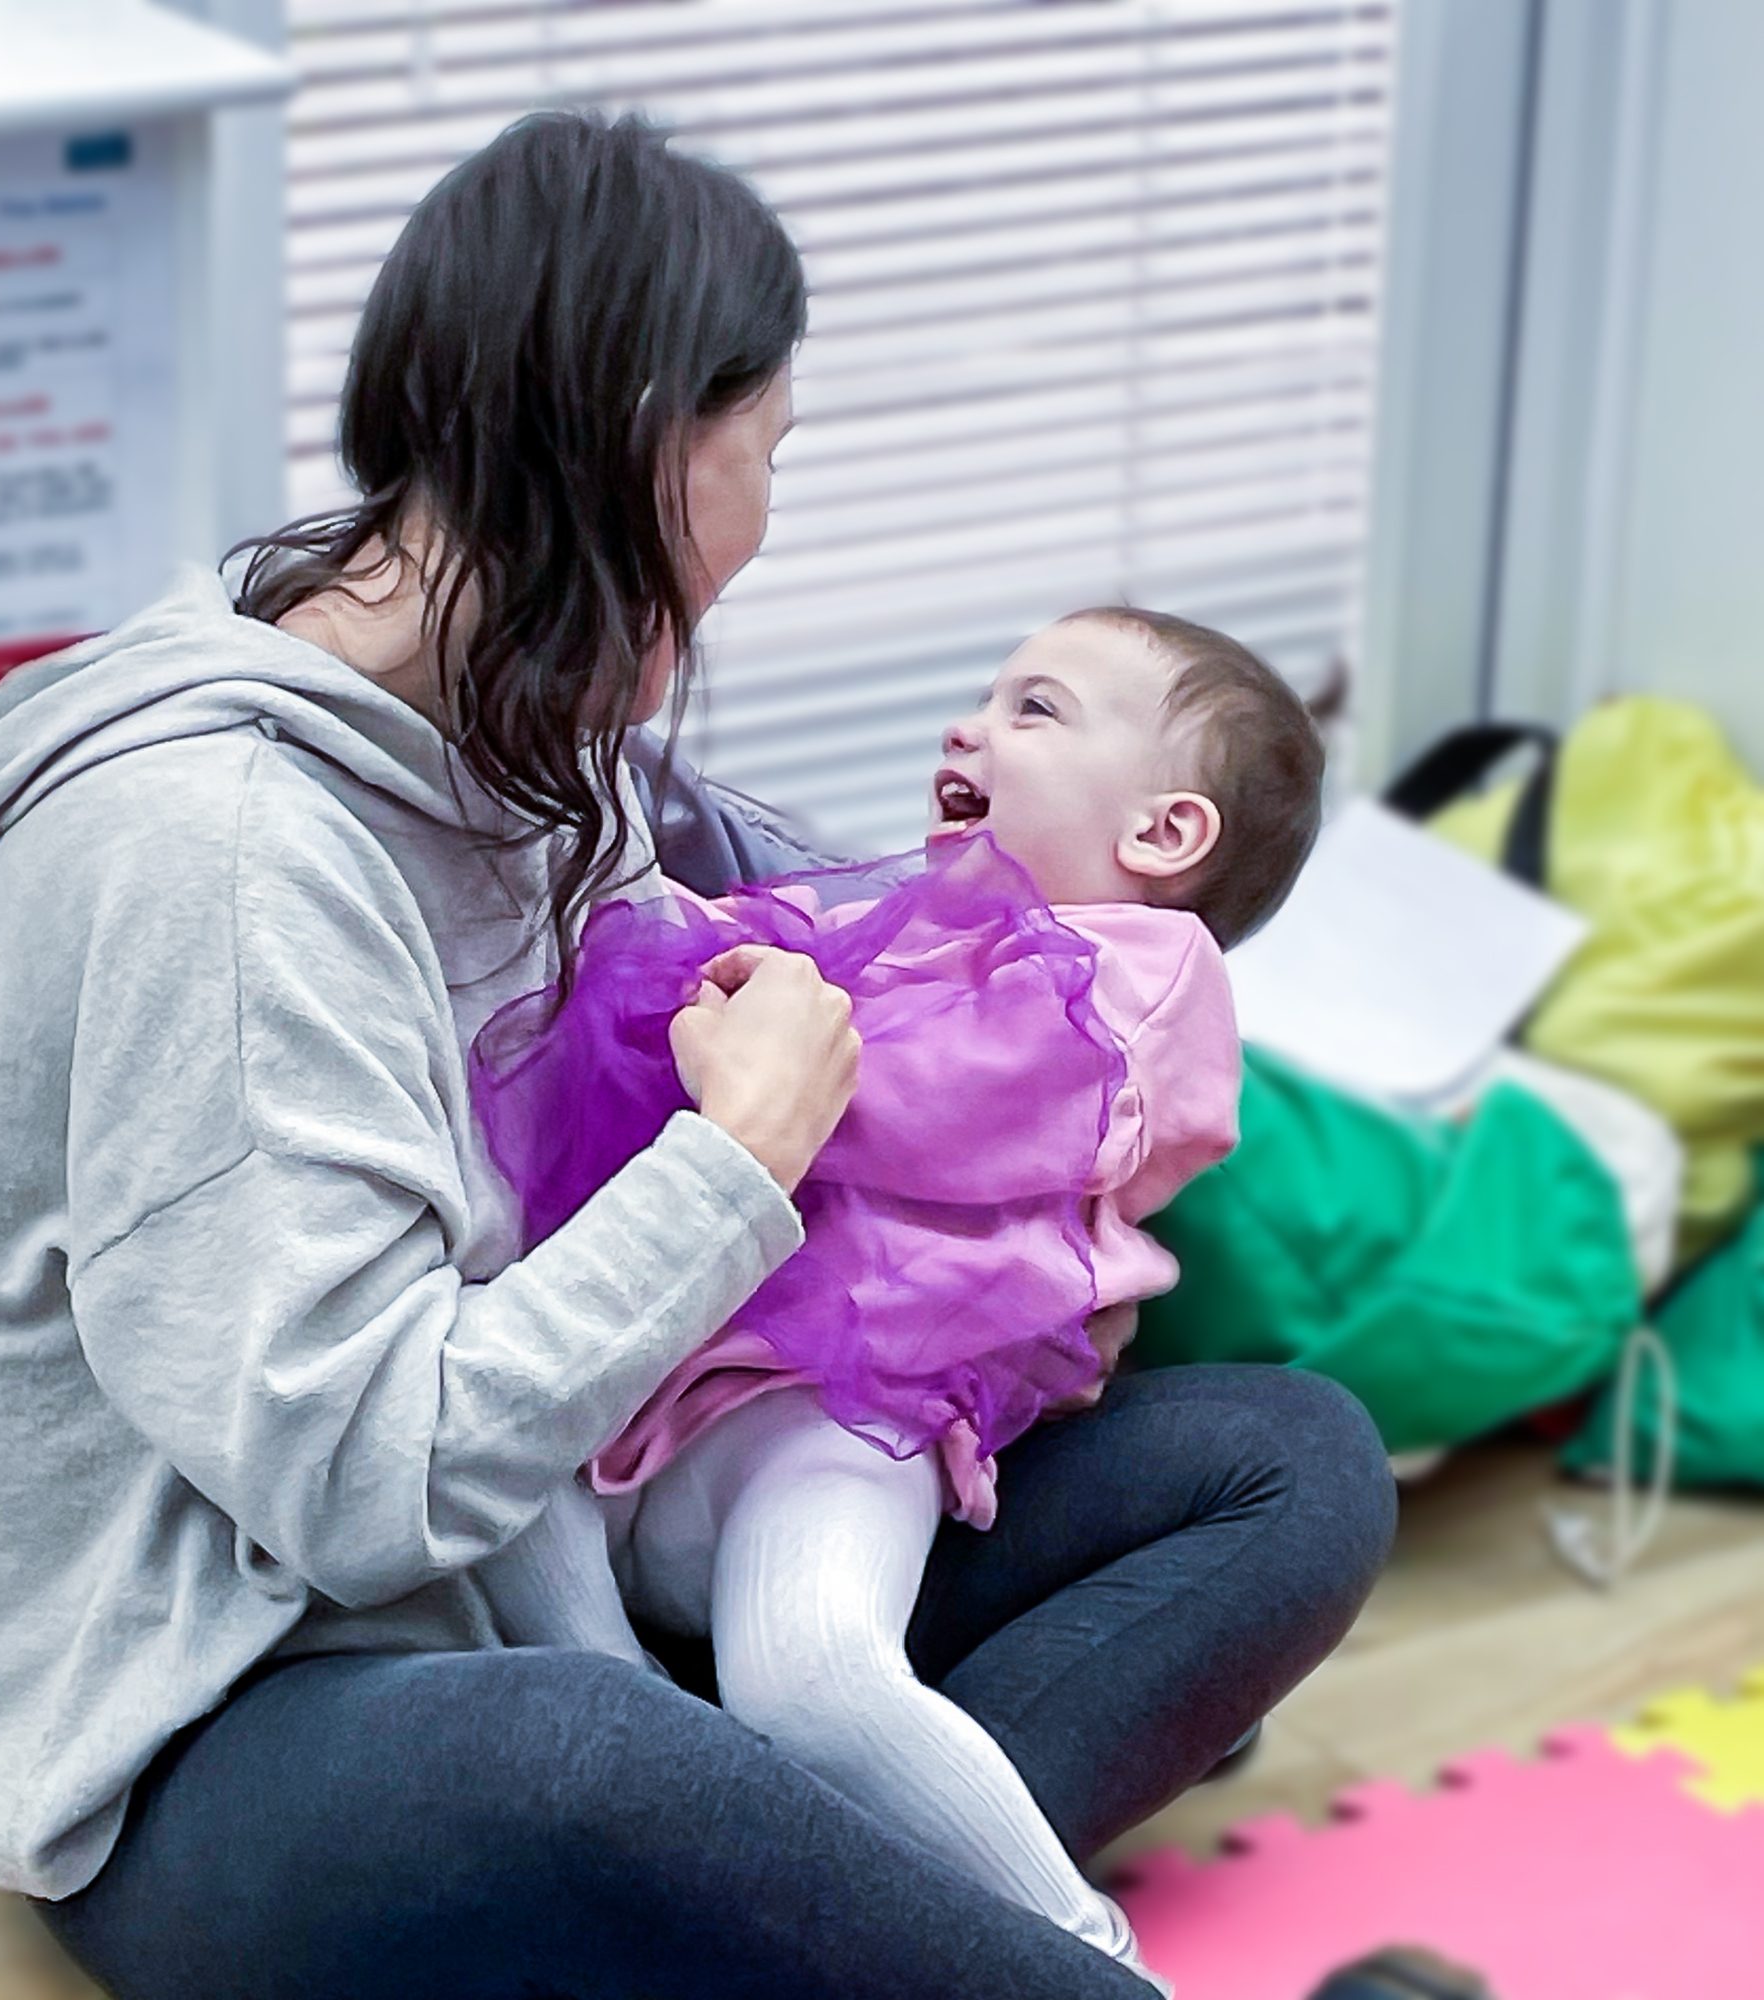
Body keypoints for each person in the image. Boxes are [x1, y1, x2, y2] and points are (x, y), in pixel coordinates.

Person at [0, 112, 1396, 1999]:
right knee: (611, 1765)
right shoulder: (222, 867)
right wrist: (732, 1171)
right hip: (254, 1695)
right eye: (767, 455)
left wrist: (1035, 1210)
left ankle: (792, 1898)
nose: (768, 522)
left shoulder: (521, 712)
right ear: (647, 448)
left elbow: (814, 905)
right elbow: (361, 1483)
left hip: (608, 1522)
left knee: (1295, 1465)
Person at [471, 604, 1325, 1993]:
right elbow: (729, 925)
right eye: (987, 698)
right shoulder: (903, 921)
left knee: (810, 1671)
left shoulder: (1144, 979)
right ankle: (640, 1740)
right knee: (479, 1467)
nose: (968, 727)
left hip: (841, 1410)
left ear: (1162, 836)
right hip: (651, 1413)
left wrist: (761, 1064)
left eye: (1035, 710)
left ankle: (1082, 1957)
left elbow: (953, 1107)